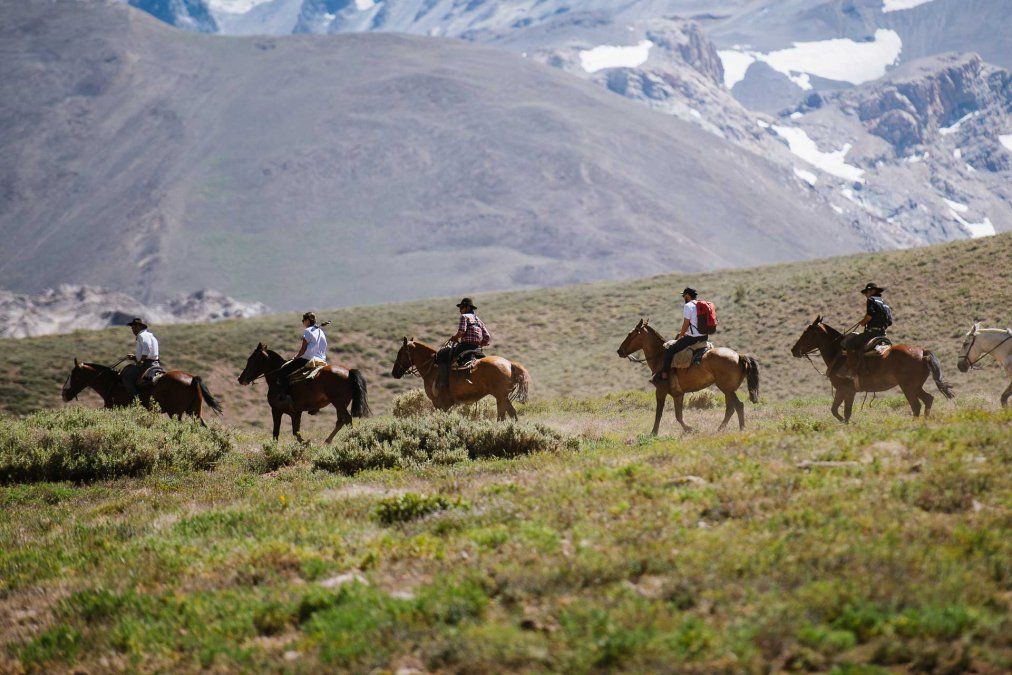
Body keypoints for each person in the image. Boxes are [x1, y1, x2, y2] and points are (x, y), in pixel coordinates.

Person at [434, 298, 490, 404]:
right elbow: (487, 337)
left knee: (442, 354)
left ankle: (443, 384)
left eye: (461, 307)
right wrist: (480, 344)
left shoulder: (464, 317)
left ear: (467, 307)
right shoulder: (479, 320)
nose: (460, 310)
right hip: (477, 348)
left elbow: (462, 331)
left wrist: (454, 337)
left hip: (465, 346)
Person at [834, 282, 893, 381]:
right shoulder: (885, 304)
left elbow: (869, 316)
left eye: (867, 292)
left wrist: (863, 322)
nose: (866, 295)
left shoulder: (871, 300)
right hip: (882, 334)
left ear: (872, 291)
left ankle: (851, 370)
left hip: (872, 333)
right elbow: (890, 322)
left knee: (850, 344)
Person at [650, 287, 709, 384]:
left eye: (683, 296)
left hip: (693, 338)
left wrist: (681, 335)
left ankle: (664, 376)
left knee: (670, 350)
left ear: (687, 295)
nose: (683, 298)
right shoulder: (702, 305)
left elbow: (686, 323)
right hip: (704, 336)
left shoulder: (688, 306)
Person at [275, 312, 328, 406]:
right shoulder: (321, 331)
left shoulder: (308, 331)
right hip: (321, 359)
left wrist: (296, 357)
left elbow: (303, 349)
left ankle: (287, 397)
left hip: (307, 359)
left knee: (282, 372)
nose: (303, 322)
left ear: (307, 321)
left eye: (303, 321)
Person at [122, 317, 160, 400]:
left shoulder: (142, 335)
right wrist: (135, 358)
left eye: (133, 327)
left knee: (126, 376)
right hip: (154, 363)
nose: (132, 330)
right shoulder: (150, 335)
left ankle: (136, 400)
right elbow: (149, 353)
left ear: (139, 327)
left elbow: (146, 349)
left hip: (147, 364)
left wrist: (141, 361)